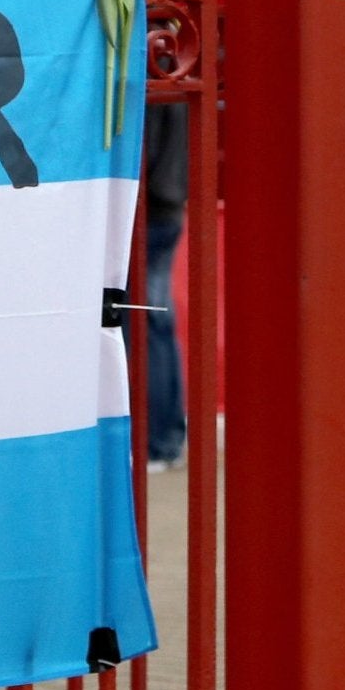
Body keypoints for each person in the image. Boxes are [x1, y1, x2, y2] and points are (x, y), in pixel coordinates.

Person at [141, 101, 187, 471]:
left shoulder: (154, 84)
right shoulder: (174, 78)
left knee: (147, 326)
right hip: (169, 208)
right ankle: (168, 434)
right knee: (159, 322)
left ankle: (158, 439)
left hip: (151, 211)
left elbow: (148, 153)